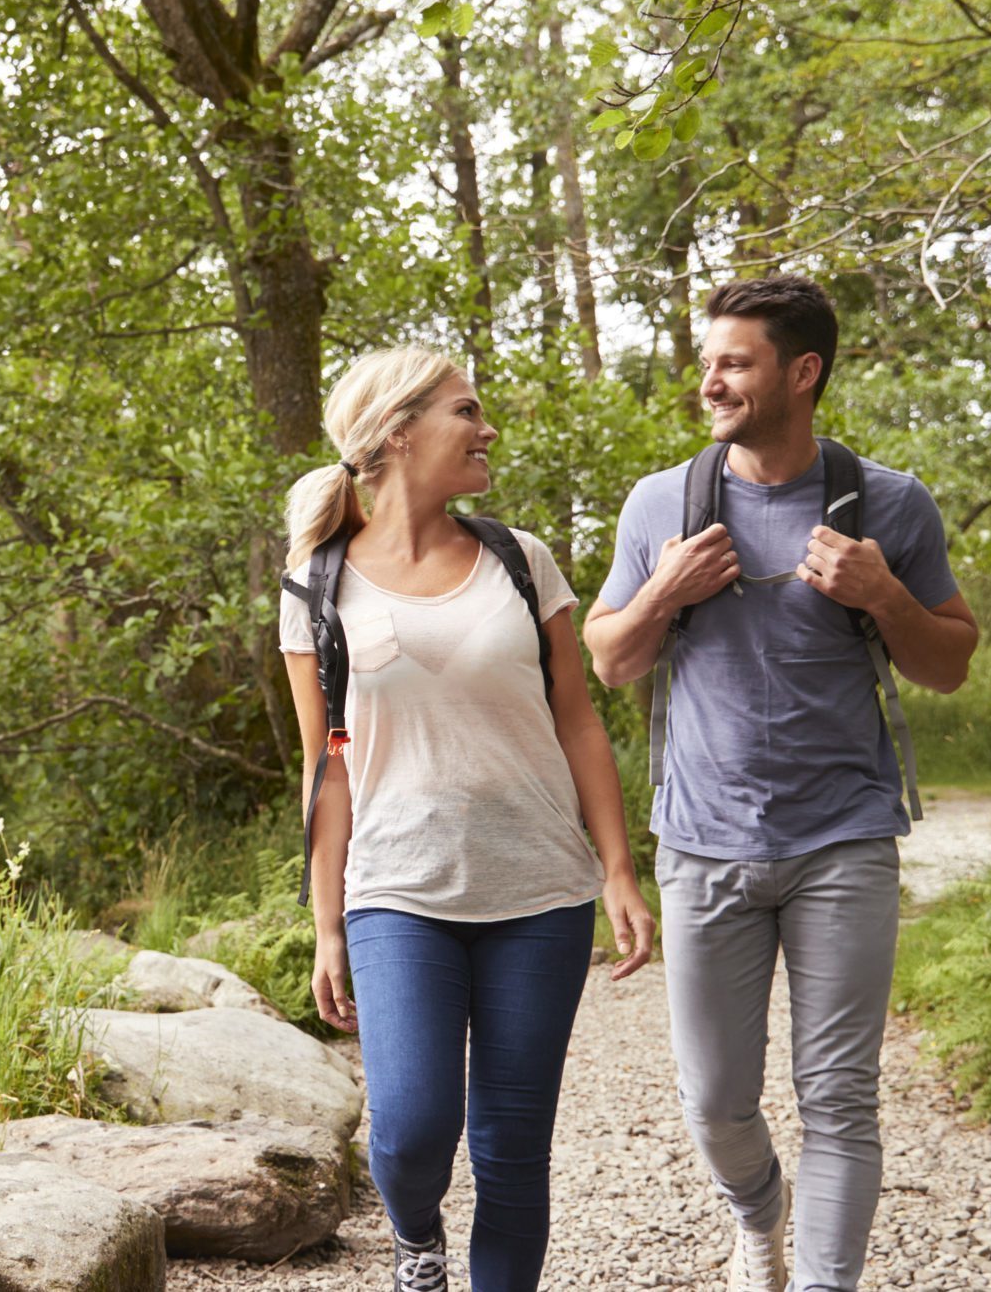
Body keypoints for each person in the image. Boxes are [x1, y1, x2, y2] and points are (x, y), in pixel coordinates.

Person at [583, 277, 979, 1292]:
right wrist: (664, 592)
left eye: (733, 362)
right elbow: (608, 661)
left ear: (800, 374)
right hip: (702, 844)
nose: (707, 380)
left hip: (842, 841)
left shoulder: (890, 503)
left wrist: (885, 593)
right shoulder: (659, 501)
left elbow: (949, 664)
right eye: (707, 359)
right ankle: (755, 1212)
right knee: (715, 1101)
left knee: (839, 1099)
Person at [279, 346, 656, 1292]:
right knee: (409, 1129)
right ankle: (417, 1242)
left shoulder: (519, 560)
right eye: (467, 412)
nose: (487, 431)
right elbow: (326, 765)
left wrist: (617, 868)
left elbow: (578, 718)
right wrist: (325, 924)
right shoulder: (317, 588)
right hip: (397, 893)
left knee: (512, 1147)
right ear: (398, 434)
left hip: (539, 891)